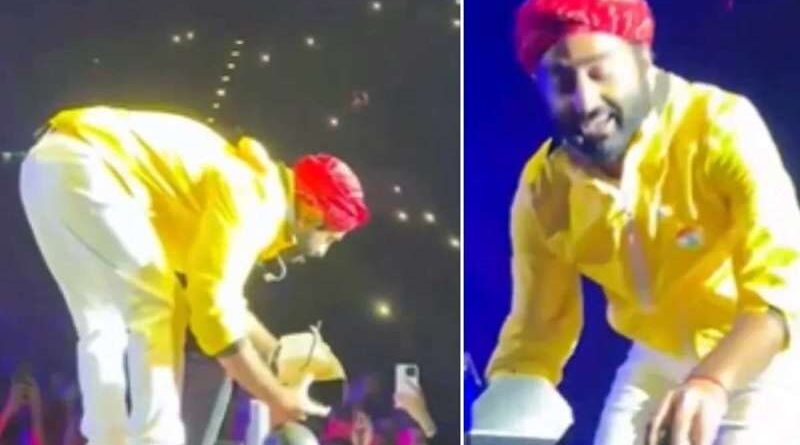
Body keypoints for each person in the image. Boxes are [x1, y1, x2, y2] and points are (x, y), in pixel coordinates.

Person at [478, 0, 800, 444]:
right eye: (562, 80)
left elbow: (782, 288)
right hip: (656, 361)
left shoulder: (718, 125)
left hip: (761, 352)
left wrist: (711, 382)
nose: (586, 101)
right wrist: (504, 416)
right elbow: (537, 332)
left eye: (600, 72)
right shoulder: (545, 187)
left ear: (642, 59)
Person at [19, 106, 370, 445]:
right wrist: (274, 396)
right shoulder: (257, 201)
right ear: (310, 209)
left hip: (46, 166)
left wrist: (276, 353)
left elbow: (224, 299)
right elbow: (212, 311)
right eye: (330, 237)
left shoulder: (251, 187)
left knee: (102, 320)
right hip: (89, 167)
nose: (325, 250)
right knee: (161, 306)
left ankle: (107, 437)